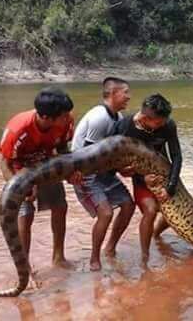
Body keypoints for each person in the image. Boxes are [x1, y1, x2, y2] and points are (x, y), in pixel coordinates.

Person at [0, 86, 81, 272]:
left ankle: (59, 257)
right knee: (26, 215)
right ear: (45, 118)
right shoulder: (18, 129)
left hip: (46, 164)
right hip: (20, 170)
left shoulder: (66, 122)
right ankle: (25, 267)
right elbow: (5, 163)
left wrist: (71, 170)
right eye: (64, 116)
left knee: (60, 207)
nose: (68, 118)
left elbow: (63, 150)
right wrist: (21, 189)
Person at [71, 77, 135, 271]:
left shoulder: (119, 118)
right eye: (125, 92)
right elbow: (90, 156)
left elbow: (113, 153)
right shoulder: (100, 117)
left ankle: (110, 248)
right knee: (105, 214)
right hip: (85, 173)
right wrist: (120, 170)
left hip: (103, 170)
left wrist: (123, 168)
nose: (128, 97)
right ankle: (94, 257)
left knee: (128, 205)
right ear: (113, 93)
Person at [112, 93, 182, 260]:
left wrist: (170, 187)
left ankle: (156, 235)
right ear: (144, 117)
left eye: (164, 121)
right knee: (150, 211)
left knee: (174, 213)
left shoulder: (168, 125)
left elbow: (177, 156)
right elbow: (117, 160)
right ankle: (145, 257)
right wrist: (141, 178)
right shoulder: (124, 127)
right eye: (158, 122)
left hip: (165, 175)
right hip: (141, 178)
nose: (162, 124)